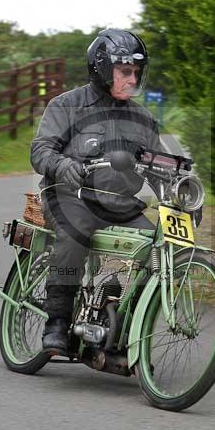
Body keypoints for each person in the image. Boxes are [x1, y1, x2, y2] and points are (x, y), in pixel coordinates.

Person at [30, 28, 163, 354]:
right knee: (75, 232)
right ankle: (57, 322)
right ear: (103, 69)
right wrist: (63, 165)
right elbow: (40, 151)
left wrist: (181, 191)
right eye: (125, 71)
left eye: (136, 72)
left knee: (155, 247)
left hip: (118, 203)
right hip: (68, 196)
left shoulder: (143, 119)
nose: (132, 79)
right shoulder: (67, 105)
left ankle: (122, 326)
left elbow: (158, 167)